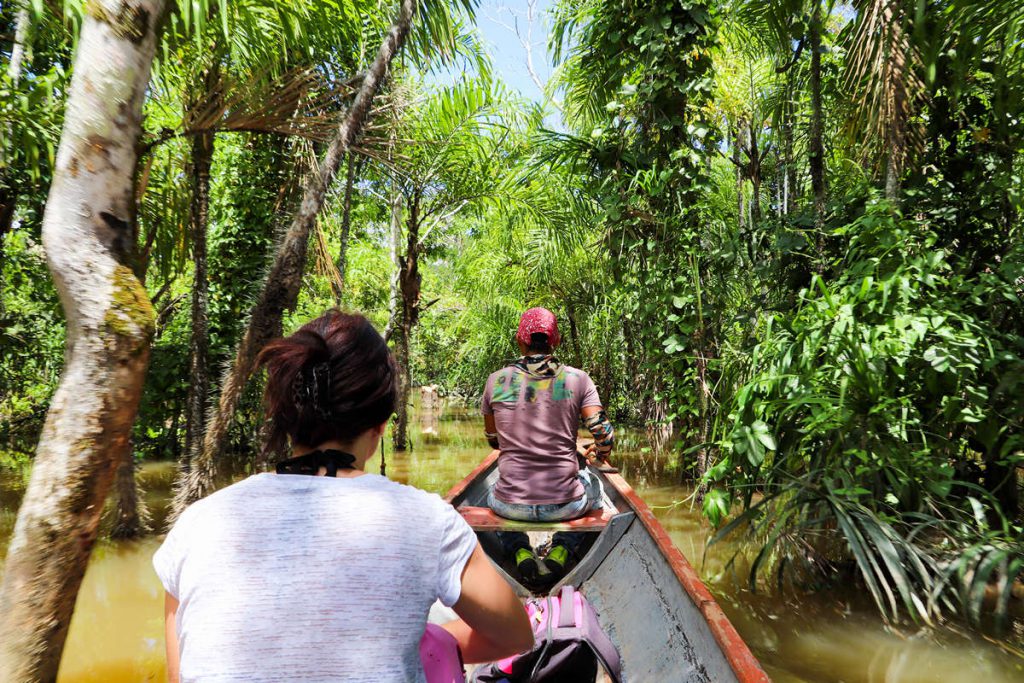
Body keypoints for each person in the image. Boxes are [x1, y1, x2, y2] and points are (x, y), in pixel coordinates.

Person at [155, 311, 532, 683]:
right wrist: (436, 639)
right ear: (382, 424)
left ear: (284, 414)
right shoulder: (426, 521)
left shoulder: (197, 523)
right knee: (430, 616)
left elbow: (179, 674)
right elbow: (516, 636)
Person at [481, 307, 615, 582]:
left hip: (509, 504)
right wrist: (600, 454)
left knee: (489, 492)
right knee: (596, 487)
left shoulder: (496, 381)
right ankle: (562, 551)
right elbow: (603, 431)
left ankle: (518, 550)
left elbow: (493, 441)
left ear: (520, 341)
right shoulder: (577, 379)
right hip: (565, 504)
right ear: (557, 341)